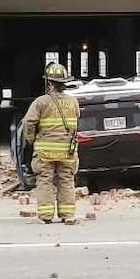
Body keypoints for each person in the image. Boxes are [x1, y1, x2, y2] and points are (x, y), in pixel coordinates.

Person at [23, 63, 80, 224]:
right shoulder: (73, 102)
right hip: (67, 150)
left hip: (45, 150)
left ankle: (46, 216)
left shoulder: (40, 102)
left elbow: (29, 122)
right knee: (67, 180)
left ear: (49, 83)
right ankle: (68, 215)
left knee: (45, 180)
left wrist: (31, 139)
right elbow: (76, 122)